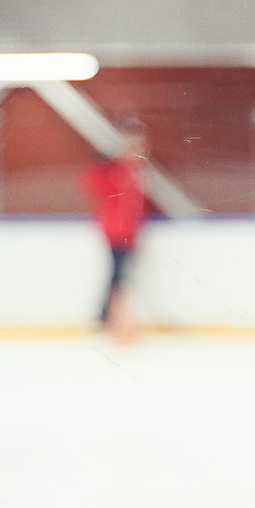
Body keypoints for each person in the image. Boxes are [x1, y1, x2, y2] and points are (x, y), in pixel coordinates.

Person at [80, 122, 153, 346]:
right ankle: (111, 320)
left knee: (120, 276)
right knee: (119, 277)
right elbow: (93, 184)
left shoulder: (134, 170)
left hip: (127, 233)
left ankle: (108, 317)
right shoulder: (115, 170)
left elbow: (136, 205)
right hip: (116, 233)